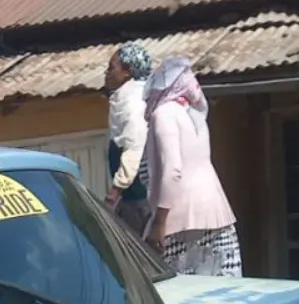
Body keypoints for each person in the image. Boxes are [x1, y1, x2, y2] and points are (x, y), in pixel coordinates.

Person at [143, 55, 242, 278]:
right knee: (220, 293)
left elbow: (172, 170)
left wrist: (159, 222)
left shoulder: (163, 115)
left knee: (178, 294)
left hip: (181, 219)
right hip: (216, 212)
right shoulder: (194, 114)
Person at [103, 41, 152, 237]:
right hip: (131, 197)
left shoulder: (134, 103)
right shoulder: (124, 98)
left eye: (111, 68)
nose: (106, 74)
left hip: (138, 199)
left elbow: (134, 148)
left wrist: (113, 193)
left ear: (128, 72)